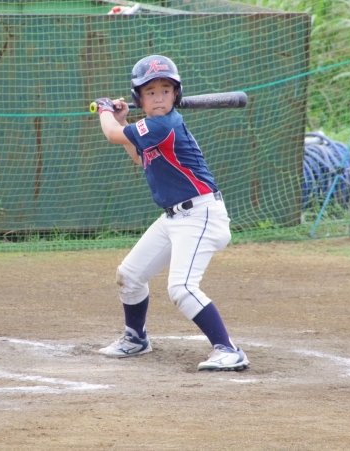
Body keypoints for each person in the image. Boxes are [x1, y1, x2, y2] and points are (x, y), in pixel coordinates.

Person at [94, 55, 249, 371]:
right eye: (150, 92)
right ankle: (136, 338)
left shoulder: (162, 123)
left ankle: (228, 349)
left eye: (165, 90)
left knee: (182, 287)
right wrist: (122, 121)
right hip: (174, 217)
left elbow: (110, 134)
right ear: (139, 98)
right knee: (130, 275)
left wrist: (105, 109)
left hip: (201, 214)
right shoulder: (153, 128)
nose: (158, 98)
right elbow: (139, 157)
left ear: (176, 94)